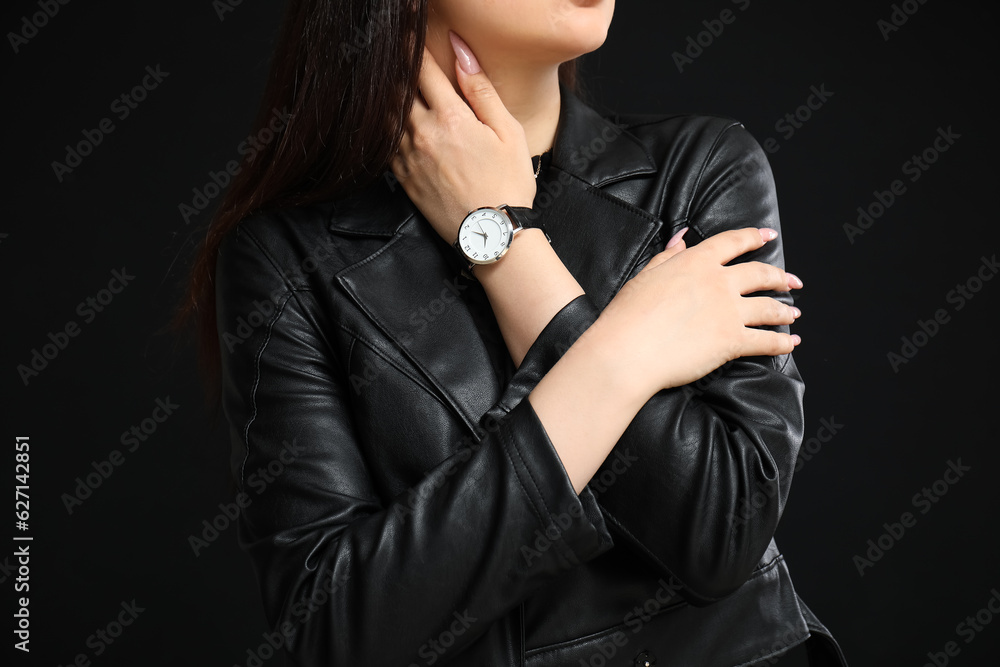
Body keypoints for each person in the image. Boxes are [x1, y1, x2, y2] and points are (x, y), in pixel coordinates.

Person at [177, 1, 849, 665]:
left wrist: (505, 250)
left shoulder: (702, 168)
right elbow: (337, 629)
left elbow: (722, 531)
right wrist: (621, 353)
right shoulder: (285, 257)